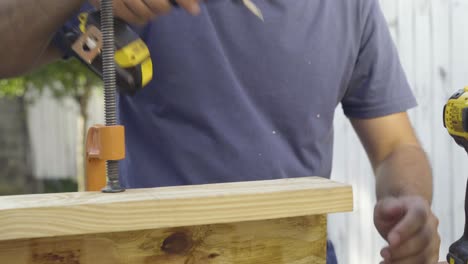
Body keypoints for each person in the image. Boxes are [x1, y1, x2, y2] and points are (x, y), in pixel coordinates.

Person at [1, 0, 441, 263]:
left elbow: (395, 147)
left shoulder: (349, 7)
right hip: (157, 253)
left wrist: (410, 203)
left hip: (297, 252)